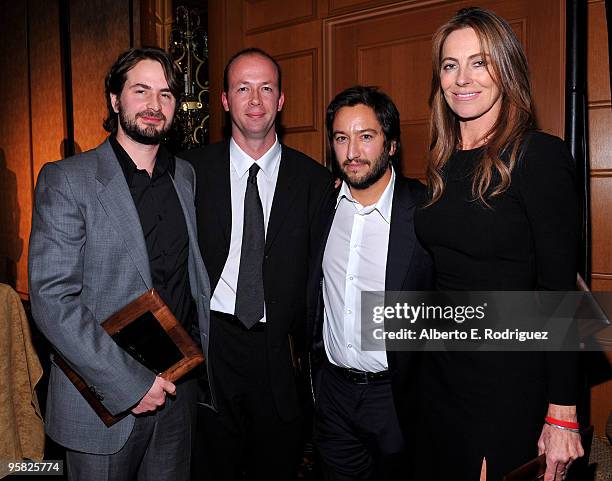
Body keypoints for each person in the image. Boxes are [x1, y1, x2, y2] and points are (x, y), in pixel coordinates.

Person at [414, 7, 584, 481]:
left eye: (480, 62)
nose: (462, 78)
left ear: (505, 70)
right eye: (450, 65)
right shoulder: (441, 163)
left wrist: (562, 413)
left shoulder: (539, 157)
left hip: (505, 380)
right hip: (440, 377)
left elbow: (560, 293)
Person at [28, 47, 210, 481]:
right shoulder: (68, 179)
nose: (154, 105)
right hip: (102, 404)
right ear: (115, 99)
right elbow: (52, 300)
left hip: (178, 393)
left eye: (166, 95)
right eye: (140, 90)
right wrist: (131, 385)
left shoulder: (184, 177)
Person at [180, 48, 334, 481]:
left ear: (281, 100)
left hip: (280, 355)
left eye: (266, 88)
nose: (255, 99)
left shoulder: (316, 182)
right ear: (225, 100)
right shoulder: (189, 172)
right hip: (211, 348)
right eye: (242, 88)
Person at [306, 86, 433, 481]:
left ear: (391, 144)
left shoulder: (426, 210)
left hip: (397, 397)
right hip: (335, 396)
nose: (352, 151)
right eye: (341, 138)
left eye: (366, 136)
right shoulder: (323, 205)